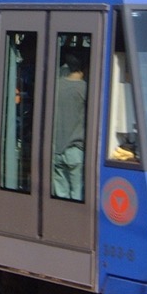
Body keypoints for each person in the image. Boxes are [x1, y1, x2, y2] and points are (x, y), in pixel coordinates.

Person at [52, 51, 88, 200]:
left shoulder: (55, 86)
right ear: (83, 69)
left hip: (55, 151)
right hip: (75, 151)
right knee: (77, 197)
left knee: (61, 197)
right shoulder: (84, 89)